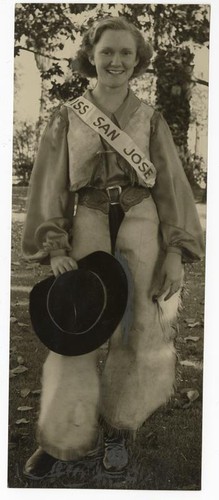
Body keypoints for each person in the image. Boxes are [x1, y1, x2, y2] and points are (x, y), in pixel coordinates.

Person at [21, 16, 204, 478]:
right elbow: (50, 187)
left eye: (126, 53)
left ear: (138, 60)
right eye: (107, 52)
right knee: (75, 328)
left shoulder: (152, 119)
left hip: (143, 222)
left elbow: (173, 191)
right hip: (90, 221)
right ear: (91, 56)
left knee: (138, 330)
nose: (116, 61)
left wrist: (176, 251)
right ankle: (64, 437)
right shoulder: (66, 116)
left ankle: (120, 429)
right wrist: (55, 244)